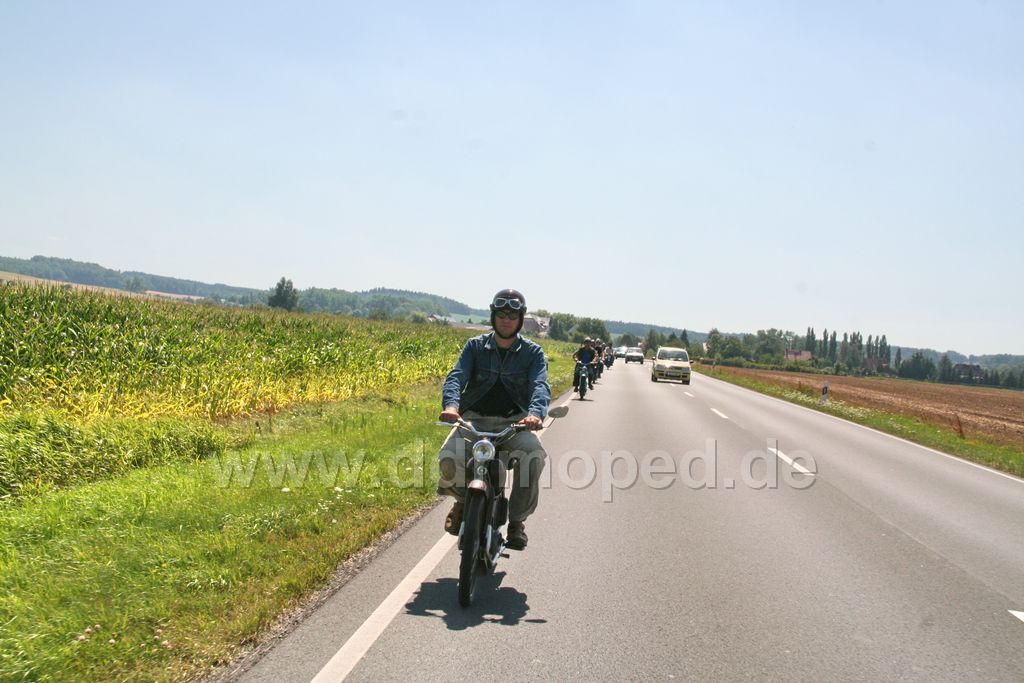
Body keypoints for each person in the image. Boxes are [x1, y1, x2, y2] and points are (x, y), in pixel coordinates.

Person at [436, 289, 551, 550]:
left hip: (514, 424)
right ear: (493, 316)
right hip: (473, 421)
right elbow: (457, 376)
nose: (506, 320)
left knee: (533, 456)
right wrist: (451, 406)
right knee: (449, 456)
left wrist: (535, 414)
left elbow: (540, 385)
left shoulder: (532, 353)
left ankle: (517, 522)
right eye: (501, 314)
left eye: (512, 315)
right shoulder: (475, 346)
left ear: (520, 319)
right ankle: (462, 503)